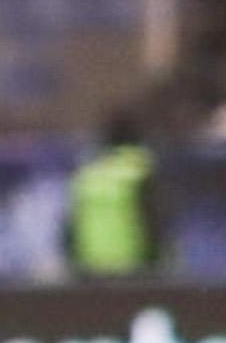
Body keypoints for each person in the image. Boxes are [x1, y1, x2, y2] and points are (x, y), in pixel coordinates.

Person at [66, 110, 168, 277]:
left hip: (91, 263)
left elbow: (71, 223)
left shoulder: (87, 172)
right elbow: (154, 217)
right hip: (135, 262)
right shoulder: (141, 168)